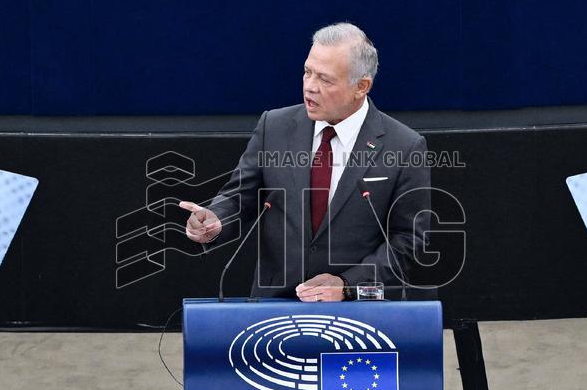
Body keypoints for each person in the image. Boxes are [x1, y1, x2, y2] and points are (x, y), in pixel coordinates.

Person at [180, 22, 429, 302]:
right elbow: (240, 197)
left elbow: (409, 241)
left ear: (361, 86)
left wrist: (347, 284)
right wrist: (216, 220)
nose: (310, 87)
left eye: (325, 79)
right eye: (307, 72)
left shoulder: (404, 146)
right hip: (275, 303)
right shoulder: (274, 126)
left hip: (357, 309)